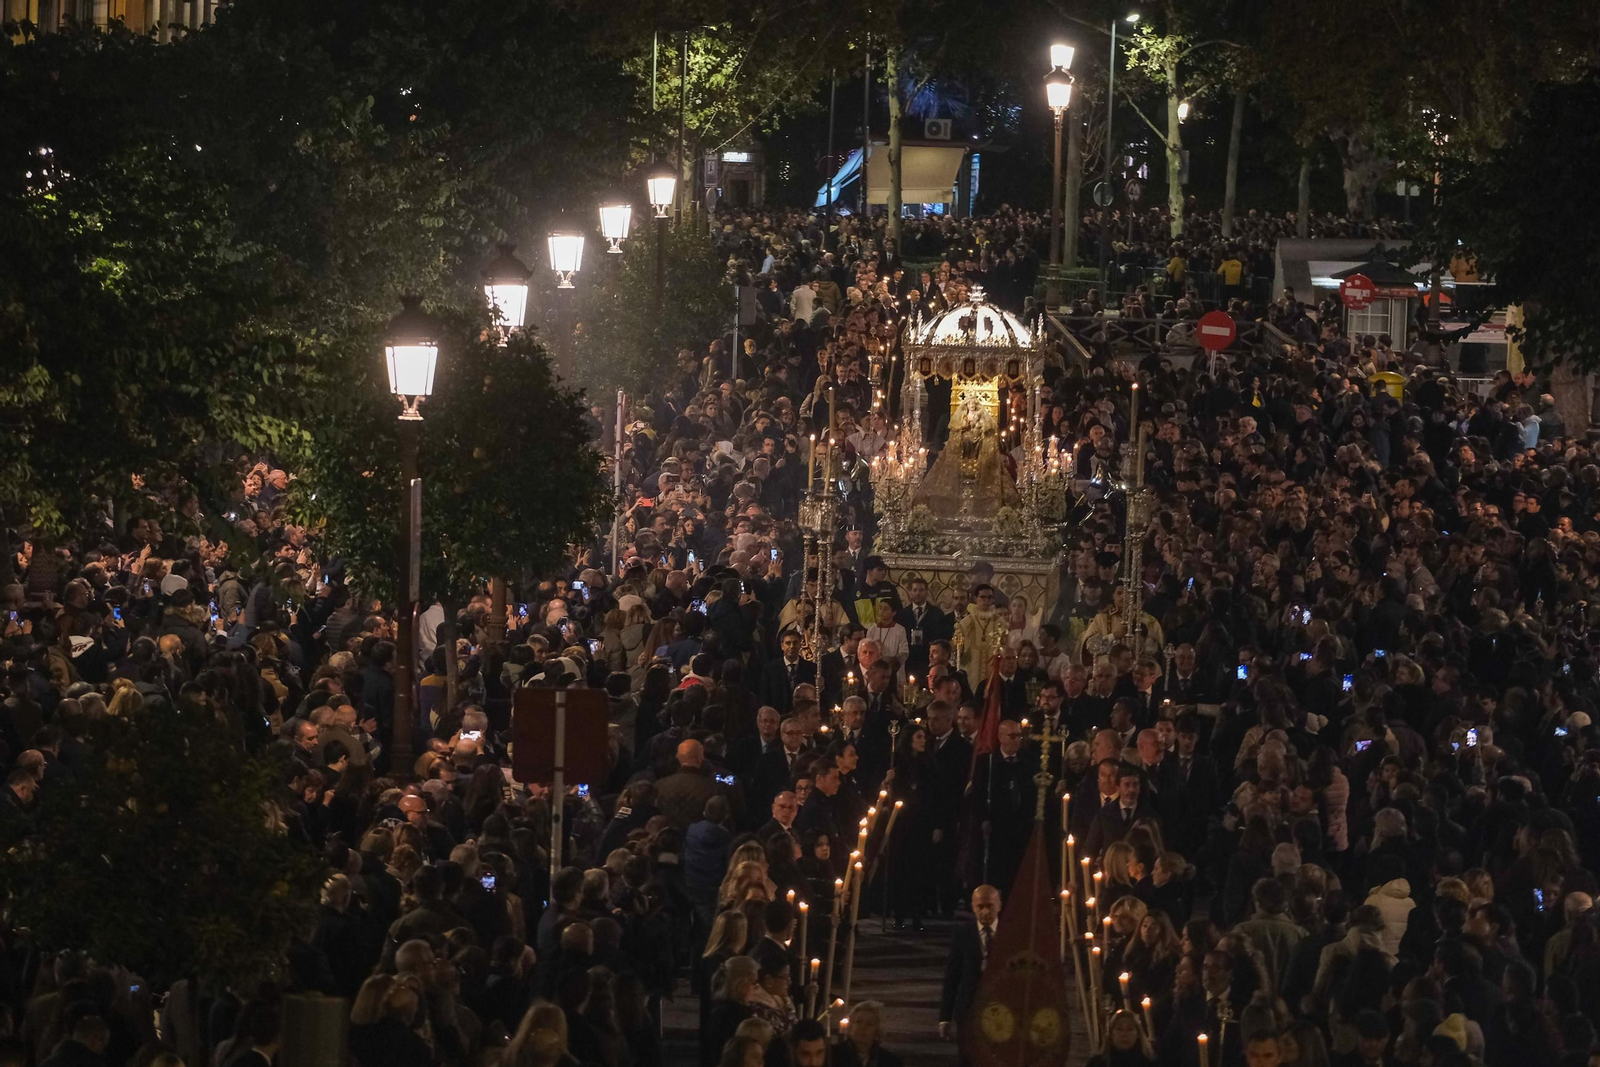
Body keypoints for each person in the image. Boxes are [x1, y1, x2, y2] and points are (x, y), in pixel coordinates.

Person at [940, 885, 1001, 1045]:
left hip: (1001, 1011)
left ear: (999, 906)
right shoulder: (963, 933)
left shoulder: (1009, 933)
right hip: (968, 1010)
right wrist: (945, 1017)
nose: (985, 912)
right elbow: (952, 977)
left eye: (990, 906)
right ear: (973, 907)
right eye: (980, 907)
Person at [833, 1000, 903, 1067]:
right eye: (858, 1021)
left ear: (877, 1030)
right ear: (851, 1026)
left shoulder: (890, 1061)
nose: (862, 1027)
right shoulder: (833, 1054)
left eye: (869, 1024)